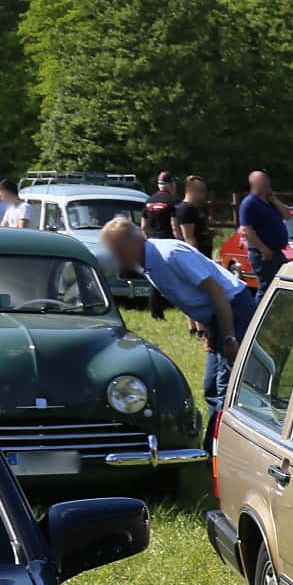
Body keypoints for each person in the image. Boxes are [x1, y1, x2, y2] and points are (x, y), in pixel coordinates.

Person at [101, 215, 253, 416]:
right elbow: (191, 298)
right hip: (216, 317)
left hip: (234, 310)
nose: (116, 258)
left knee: (226, 389)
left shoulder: (170, 255)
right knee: (211, 388)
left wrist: (229, 337)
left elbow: (216, 291)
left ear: (132, 243)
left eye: (117, 251)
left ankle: (223, 433)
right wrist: (208, 331)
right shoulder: (147, 264)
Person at [237, 170, 292, 291]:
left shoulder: (270, 202)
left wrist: (274, 200)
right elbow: (247, 230)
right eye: (263, 181)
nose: (267, 184)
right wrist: (264, 250)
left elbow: (288, 215)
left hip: (277, 253)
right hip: (262, 254)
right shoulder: (249, 203)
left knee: (283, 284)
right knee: (267, 287)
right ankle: (259, 305)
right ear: (254, 183)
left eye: (267, 180)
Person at [174, 176, 214, 256]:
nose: (204, 194)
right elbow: (188, 237)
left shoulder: (197, 208)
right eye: (201, 190)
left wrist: (211, 232)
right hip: (196, 255)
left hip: (205, 253)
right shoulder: (186, 209)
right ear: (190, 191)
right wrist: (197, 257)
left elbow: (199, 230)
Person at [144, 172, 179, 241]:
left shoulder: (149, 201)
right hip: (168, 241)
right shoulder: (174, 201)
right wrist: (180, 241)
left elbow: (144, 226)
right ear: (171, 185)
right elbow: (174, 226)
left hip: (152, 241)